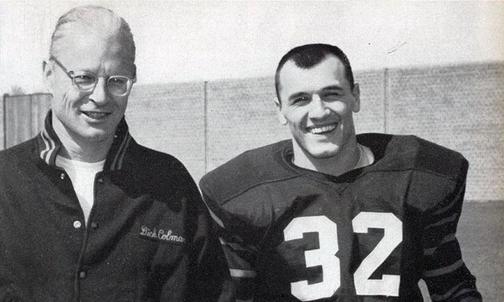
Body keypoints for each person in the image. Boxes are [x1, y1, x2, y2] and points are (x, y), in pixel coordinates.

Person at [199, 43, 481, 301]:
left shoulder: (415, 177)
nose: (319, 111)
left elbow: (452, 289)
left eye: (331, 94)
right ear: (280, 110)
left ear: (355, 97)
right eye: (300, 100)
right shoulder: (245, 195)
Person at [0, 6, 228, 302]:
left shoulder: (170, 184)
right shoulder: (5, 180)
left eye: (117, 81)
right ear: (49, 75)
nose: (100, 96)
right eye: (83, 77)